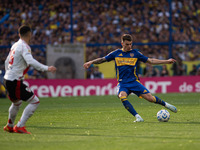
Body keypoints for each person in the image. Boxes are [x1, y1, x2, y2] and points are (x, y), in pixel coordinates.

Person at [83, 34, 177, 122]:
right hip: (123, 83)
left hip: (134, 82)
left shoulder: (135, 53)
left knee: (150, 99)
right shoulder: (116, 53)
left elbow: (151, 61)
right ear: (122, 43)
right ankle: (138, 117)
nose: (130, 46)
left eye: (131, 44)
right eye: (127, 44)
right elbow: (102, 59)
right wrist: (90, 62)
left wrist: (166, 61)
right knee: (122, 96)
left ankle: (166, 105)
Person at [3, 24, 57, 134]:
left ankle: (9, 125)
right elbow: (31, 62)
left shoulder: (15, 45)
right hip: (15, 80)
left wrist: (9, 72)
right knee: (35, 101)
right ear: (30, 34)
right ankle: (20, 126)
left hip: (7, 78)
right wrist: (47, 68)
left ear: (19, 34)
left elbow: (6, 61)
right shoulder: (24, 46)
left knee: (16, 103)